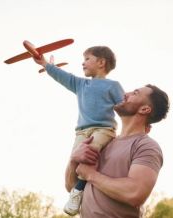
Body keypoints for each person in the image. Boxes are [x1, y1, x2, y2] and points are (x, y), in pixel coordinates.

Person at [33, 46, 124, 215]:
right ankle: (78, 191)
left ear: (101, 62)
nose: (83, 63)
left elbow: (125, 107)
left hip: (103, 130)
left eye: (87, 59)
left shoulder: (113, 86)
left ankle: (78, 191)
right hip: (81, 132)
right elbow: (62, 76)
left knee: (89, 153)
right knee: (75, 161)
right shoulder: (81, 84)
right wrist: (45, 64)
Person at [65, 85, 170, 217]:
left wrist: (91, 175)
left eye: (135, 93)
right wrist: (74, 160)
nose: (126, 93)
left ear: (144, 109)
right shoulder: (103, 142)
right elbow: (71, 187)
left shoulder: (146, 146)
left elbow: (135, 193)